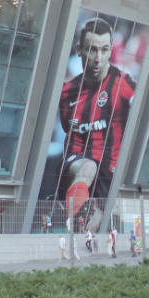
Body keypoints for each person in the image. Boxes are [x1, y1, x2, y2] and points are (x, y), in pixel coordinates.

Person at [57, 18, 136, 234]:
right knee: (88, 167)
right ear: (79, 50)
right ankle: (73, 210)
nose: (98, 58)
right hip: (76, 162)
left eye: (104, 50)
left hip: (108, 173)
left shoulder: (124, 85)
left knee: (93, 227)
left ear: (110, 51)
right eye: (92, 50)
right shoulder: (66, 92)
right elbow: (66, 126)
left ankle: (79, 234)